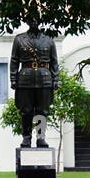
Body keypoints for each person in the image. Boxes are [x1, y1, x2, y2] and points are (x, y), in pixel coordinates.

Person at [10, 15, 59, 148]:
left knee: (42, 111)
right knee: (26, 111)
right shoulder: (19, 39)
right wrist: (13, 78)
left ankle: (40, 138)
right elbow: (14, 60)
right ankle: (26, 138)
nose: (34, 22)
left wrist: (55, 79)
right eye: (31, 19)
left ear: (41, 21)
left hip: (45, 79)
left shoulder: (48, 39)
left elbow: (54, 61)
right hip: (25, 79)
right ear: (27, 21)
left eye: (37, 19)